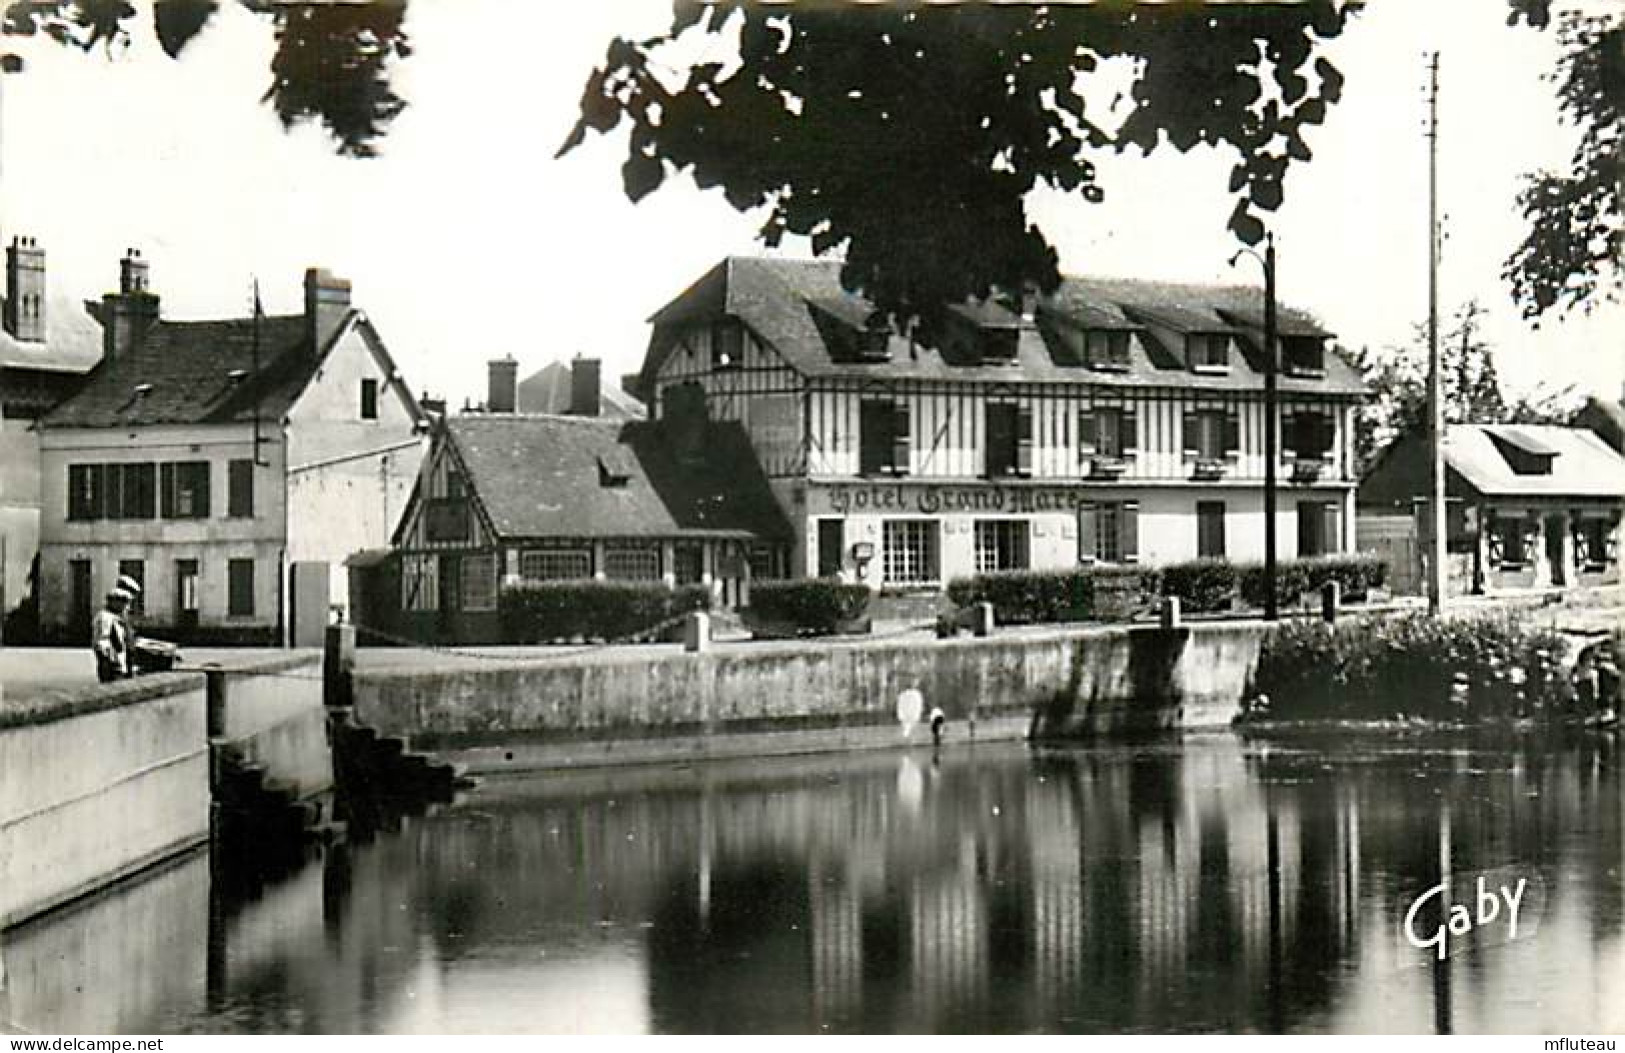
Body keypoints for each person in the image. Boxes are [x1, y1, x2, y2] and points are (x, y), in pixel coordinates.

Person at [92, 588, 134, 683]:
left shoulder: (120, 618)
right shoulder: (105, 617)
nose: (125, 606)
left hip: (122, 663)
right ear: (113, 602)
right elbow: (102, 640)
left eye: (126, 602)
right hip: (113, 665)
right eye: (122, 602)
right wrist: (110, 658)